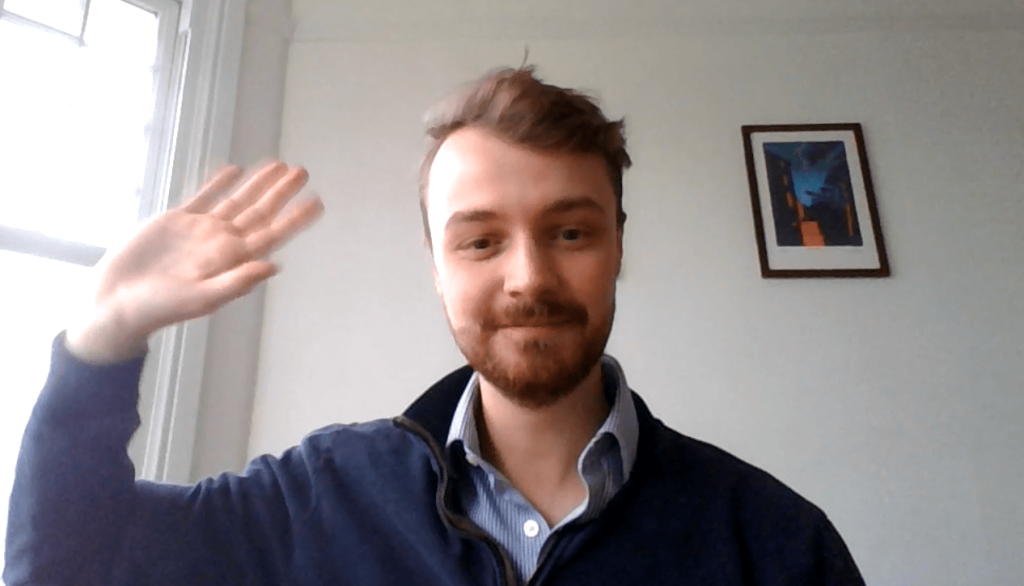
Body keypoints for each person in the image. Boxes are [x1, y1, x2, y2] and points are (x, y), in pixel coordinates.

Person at [5, 67, 866, 586]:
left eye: (570, 232)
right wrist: (101, 343)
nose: (528, 275)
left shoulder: (774, 543)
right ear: (436, 267)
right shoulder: (317, 499)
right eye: (481, 240)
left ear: (617, 248)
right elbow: (68, 567)